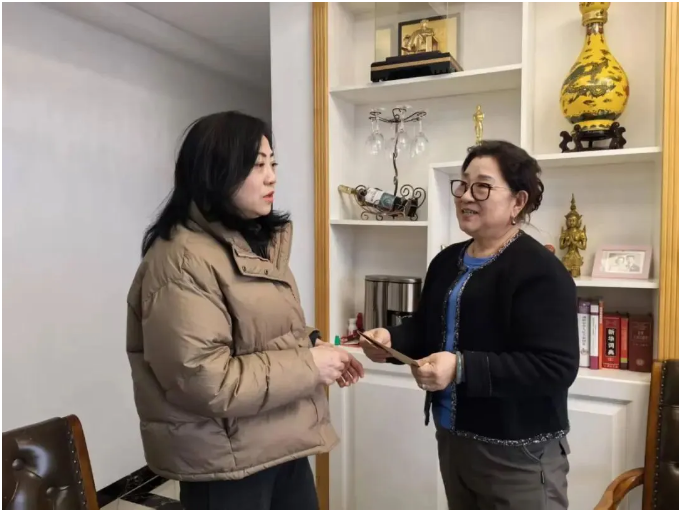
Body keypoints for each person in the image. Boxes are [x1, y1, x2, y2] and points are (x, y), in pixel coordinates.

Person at [126, 111, 364, 510]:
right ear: (215, 171)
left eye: (273, 164)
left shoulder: (252, 243)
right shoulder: (180, 261)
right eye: (257, 165)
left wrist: (311, 343)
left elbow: (264, 330)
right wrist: (308, 366)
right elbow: (206, 380)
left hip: (278, 441)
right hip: (224, 462)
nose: (272, 177)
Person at [360, 140, 579, 510]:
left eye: (482, 187)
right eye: (462, 184)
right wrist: (390, 340)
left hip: (519, 454)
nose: (465, 196)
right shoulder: (446, 261)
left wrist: (460, 367)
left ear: (518, 202)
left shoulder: (541, 271)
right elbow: (427, 329)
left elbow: (555, 367)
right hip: (453, 439)